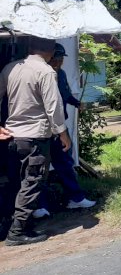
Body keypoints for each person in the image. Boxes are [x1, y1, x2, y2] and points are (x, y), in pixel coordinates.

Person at [0, 36, 72, 246]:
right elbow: (53, 107)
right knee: (32, 182)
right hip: (35, 137)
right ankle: (18, 231)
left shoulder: (10, 68)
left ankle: (12, 224)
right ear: (50, 51)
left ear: (30, 48)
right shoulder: (46, 72)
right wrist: (63, 133)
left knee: (16, 183)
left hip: (13, 136)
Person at [34, 44, 96, 218]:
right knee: (40, 168)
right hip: (41, 128)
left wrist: (77, 103)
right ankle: (40, 206)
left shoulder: (60, 74)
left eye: (61, 60)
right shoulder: (40, 73)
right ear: (49, 57)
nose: (59, 63)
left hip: (59, 127)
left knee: (65, 164)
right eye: (56, 59)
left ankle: (75, 198)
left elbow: (65, 94)